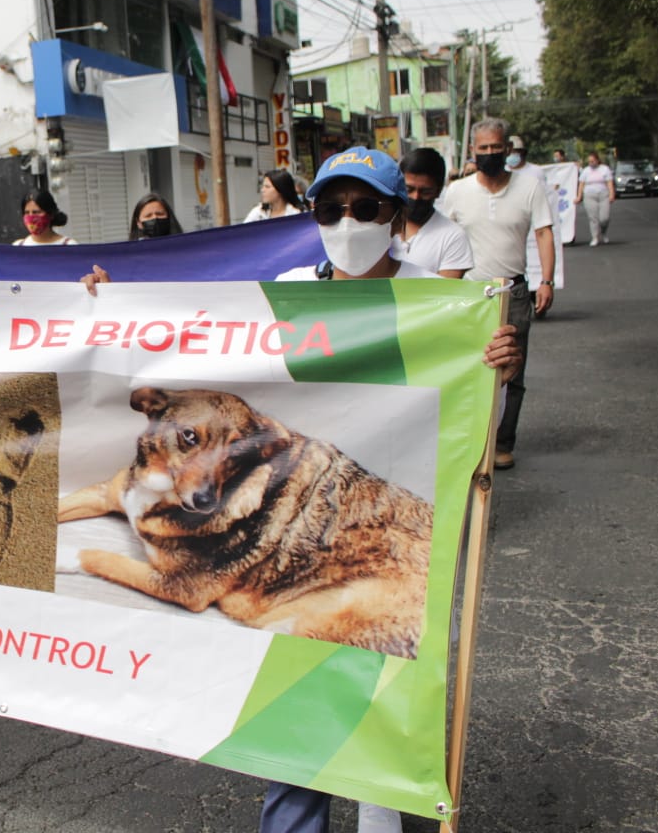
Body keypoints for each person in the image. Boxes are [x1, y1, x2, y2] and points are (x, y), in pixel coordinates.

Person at [82, 149, 521, 833]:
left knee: (381, 707)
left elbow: (472, 437)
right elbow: (197, 351)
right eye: (329, 209)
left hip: (379, 531)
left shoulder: (437, 303)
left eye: (365, 208)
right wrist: (115, 313)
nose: (347, 223)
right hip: (288, 536)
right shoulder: (287, 287)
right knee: (295, 710)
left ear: (397, 216)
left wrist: (490, 370)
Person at [441, 117, 555, 471]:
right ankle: (471, 444)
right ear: (473, 150)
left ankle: (503, 444)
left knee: (511, 371)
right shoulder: (457, 191)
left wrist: (546, 281)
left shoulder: (530, 187)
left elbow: (544, 234)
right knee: (467, 370)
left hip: (513, 292)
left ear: (508, 149)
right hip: (470, 293)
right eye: (483, 148)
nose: (490, 154)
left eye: (496, 147)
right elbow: (440, 236)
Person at [394, 148, 475, 278]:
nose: (416, 197)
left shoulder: (453, 236)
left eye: (425, 192)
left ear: (438, 191)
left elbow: (445, 292)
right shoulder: (381, 226)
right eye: (409, 189)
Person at [575, 151, 616, 247]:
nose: (591, 163)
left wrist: (611, 194)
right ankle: (594, 237)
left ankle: (603, 232)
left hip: (603, 194)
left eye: (593, 161)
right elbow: (581, 184)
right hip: (589, 195)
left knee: (604, 218)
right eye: (589, 162)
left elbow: (609, 183)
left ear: (597, 160)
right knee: (593, 218)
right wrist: (579, 196)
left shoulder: (605, 169)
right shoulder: (586, 171)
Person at [13, 191, 78, 245]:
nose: (31, 217)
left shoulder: (69, 245)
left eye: (36, 212)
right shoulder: (18, 246)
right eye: (27, 212)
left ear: (51, 214)